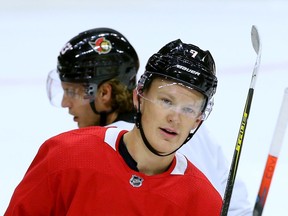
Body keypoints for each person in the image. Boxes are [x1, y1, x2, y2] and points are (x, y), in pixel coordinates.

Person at [46, 28, 253, 215]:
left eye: (72, 92)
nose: (66, 103)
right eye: (165, 101)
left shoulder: (89, 153)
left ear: (105, 93)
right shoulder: (188, 126)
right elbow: (236, 205)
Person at [5, 39, 223, 215]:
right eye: (166, 101)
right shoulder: (65, 155)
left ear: (198, 120)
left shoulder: (204, 203)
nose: (175, 118)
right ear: (138, 97)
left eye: (189, 109)